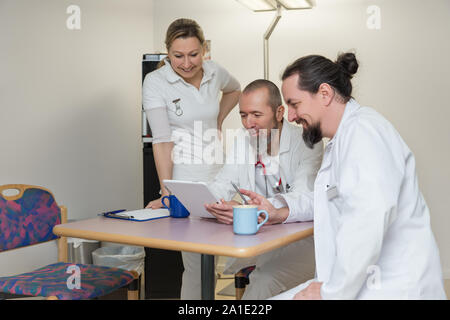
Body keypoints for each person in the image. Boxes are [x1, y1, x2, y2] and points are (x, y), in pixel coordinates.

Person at [241, 52, 447, 299]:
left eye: (295, 104)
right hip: (354, 284)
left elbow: (367, 219)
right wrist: (279, 210)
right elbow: (329, 200)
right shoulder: (342, 140)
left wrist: (330, 292)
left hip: (392, 288)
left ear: (325, 94)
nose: (292, 117)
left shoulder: (364, 132)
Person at [142, 18, 241, 299]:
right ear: (167, 52)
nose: (186, 63)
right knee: (196, 264)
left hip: (219, 174)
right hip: (185, 180)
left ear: (204, 50)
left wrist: (218, 119)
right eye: (178, 56)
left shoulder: (214, 72)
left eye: (193, 55)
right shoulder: (156, 82)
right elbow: (161, 141)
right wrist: (166, 193)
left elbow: (236, 89)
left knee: (215, 258)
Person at [205, 79, 323, 299]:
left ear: (279, 112)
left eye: (257, 115)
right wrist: (211, 201)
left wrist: (249, 208)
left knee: (264, 281)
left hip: (301, 242)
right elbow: (224, 181)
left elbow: (303, 195)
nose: (249, 123)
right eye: (243, 115)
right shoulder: (243, 139)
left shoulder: (308, 142)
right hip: (260, 241)